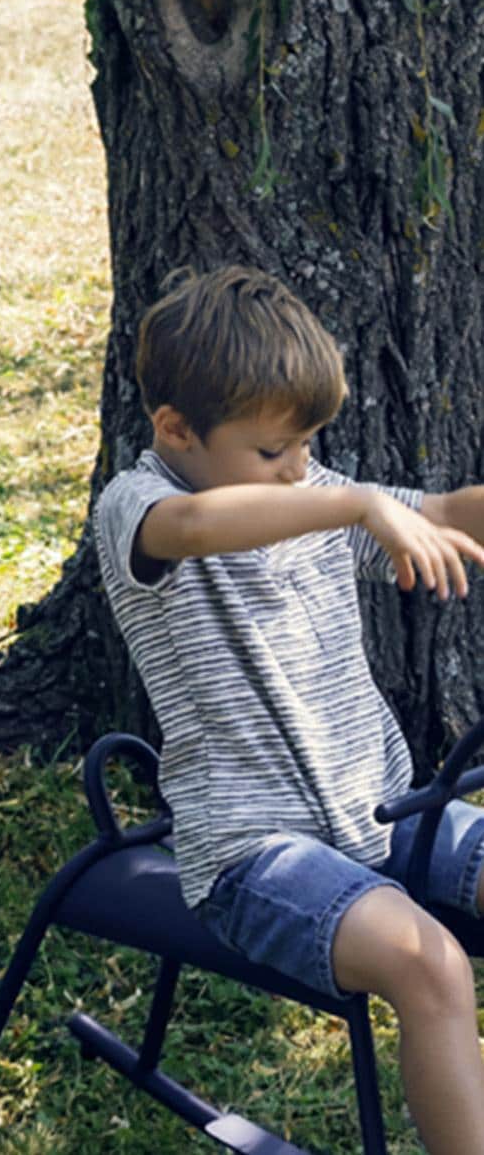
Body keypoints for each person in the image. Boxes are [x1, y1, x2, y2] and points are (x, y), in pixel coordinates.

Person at [93, 264, 484, 1155]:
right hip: (251, 856)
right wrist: (353, 501)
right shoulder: (137, 505)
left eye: (308, 445)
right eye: (274, 451)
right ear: (175, 429)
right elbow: (194, 528)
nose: (299, 467)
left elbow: (441, 511)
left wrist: (386, 506)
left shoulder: (312, 493)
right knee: (431, 966)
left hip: (383, 818)